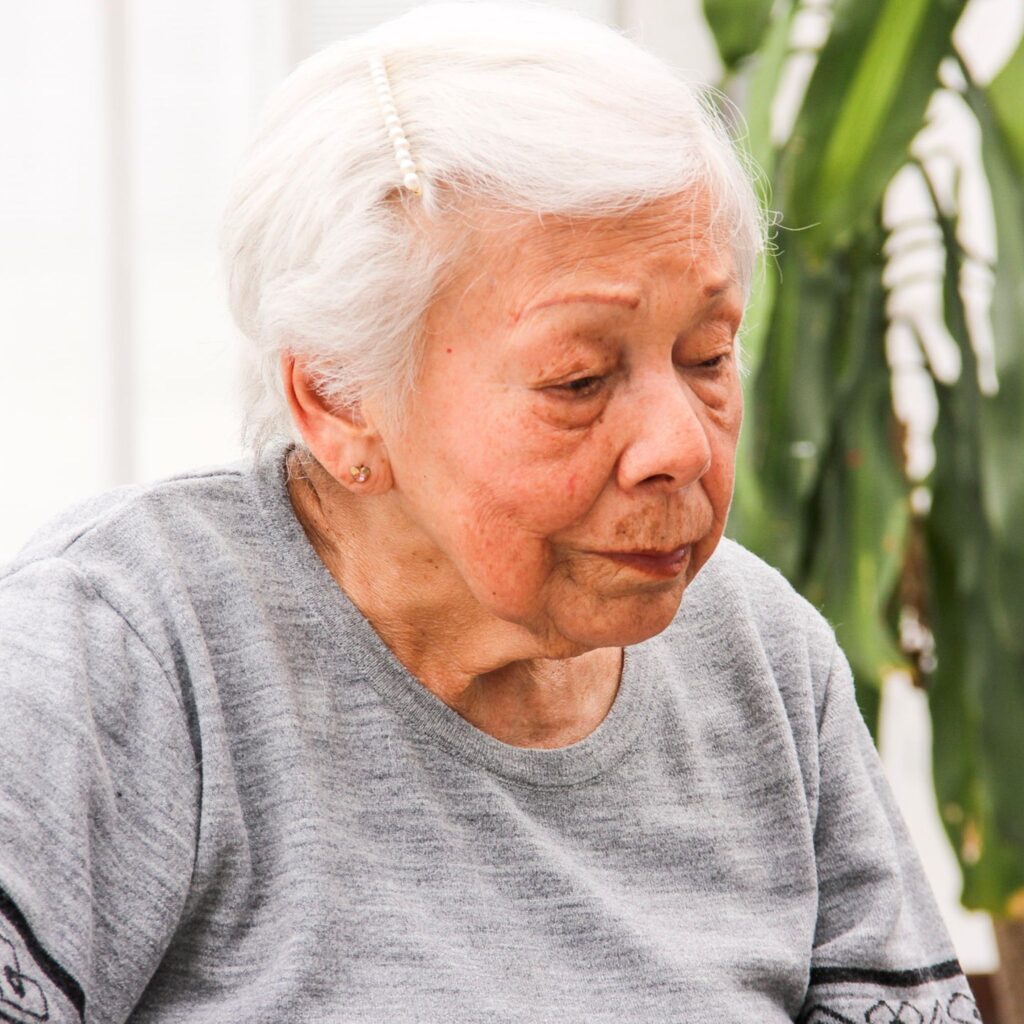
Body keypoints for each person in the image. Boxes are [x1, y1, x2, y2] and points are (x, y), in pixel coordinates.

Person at [0, 4, 982, 1022]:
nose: (682, 445)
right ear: (338, 400)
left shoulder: (764, 657)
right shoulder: (122, 653)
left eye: (708, 355)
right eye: (579, 378)